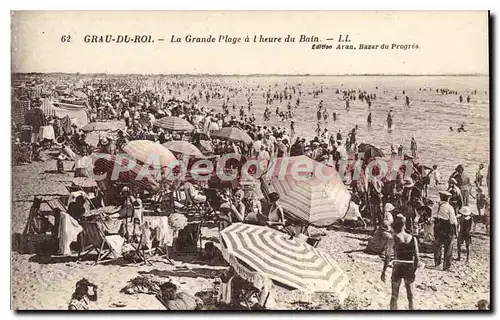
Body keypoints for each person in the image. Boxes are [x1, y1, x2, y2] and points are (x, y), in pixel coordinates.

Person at [381, 215, 420, 310]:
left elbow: (388, 256)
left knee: (394, 296)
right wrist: (414, 271)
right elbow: (417, 257)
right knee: (410, 297)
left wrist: (384, 271)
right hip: (409, 266)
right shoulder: (412, 238)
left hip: (398, 266)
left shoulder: (393, 238)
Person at [433, 191, 458, 271]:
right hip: (447, 227)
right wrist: (456, 231)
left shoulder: (436, 205)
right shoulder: (449, 207)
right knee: (448, 246)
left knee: (437, 245)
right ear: (448, 198)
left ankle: (437, 262)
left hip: (437, 226)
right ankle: (446, 265)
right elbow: (453, 221)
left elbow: (432, 217)